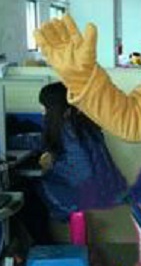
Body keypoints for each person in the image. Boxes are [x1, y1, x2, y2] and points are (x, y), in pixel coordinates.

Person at [37, 82, 128, 228]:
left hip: (91, 192)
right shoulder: (83, 123)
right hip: (109, 188)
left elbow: (83, 169)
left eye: (44, 107)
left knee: (37, 185)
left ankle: (42, 239)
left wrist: (52, 167)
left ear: (55, 108)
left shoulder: (69, 131)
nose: (42, 111)